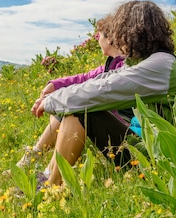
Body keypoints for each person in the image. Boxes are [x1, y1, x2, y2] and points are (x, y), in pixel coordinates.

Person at [32, 0, 176, 186]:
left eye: (120, 32)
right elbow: (100, 80)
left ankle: (50, 188)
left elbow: (102, 90)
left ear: (132, 32)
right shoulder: (148, 61)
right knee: (76, 106)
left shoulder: (159, 65)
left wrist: (50, 102)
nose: (118, 39)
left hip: (158, 159)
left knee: (79, 111)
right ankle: (47, 177)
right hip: (145, 147)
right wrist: (55, 96)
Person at [16, 17, 127, 174]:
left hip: (126, 134)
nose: (97, 39)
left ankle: (46, 169)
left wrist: (54, 99)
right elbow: (82, 79)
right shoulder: (110, 65)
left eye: (99, 35)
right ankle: (38, 157)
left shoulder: (125, 67)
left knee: (74, 108)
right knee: (67, 104)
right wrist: (53, 85)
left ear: (110, 39)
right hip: (115, 128)